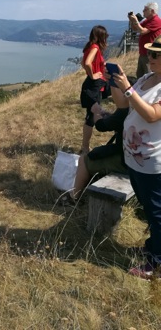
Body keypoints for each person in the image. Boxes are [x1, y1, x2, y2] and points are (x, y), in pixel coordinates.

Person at [109, 40, 161, 279]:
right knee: (149, 208)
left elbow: (151, 115)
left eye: (157, 54)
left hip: (153, 162)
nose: (150, 56)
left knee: (157, 213)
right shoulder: (146, 78)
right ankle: (153, 247)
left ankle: (156, 264)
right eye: (151, 52)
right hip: (135, 159)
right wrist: (115, 83)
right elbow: (122, 104)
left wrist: (128, 88)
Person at [79, 25, 109, 153]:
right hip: (94, 85)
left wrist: (100, 67)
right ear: (101, 36)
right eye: (105, 36)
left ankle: (85, 147)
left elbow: (83, 62)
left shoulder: (90, 46)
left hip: (93, 84)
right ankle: (85, 148)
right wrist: (93, 75)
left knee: (90, 117)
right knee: (92, 117)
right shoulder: (95, 47)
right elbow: (86, 63)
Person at [130, 2, 161, 78]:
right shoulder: (147, 20)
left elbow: (142, 31)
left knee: (148, 76)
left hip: (151, 53)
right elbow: (135, 28)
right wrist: (131, 20)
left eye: (145, 9)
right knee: (140, 76)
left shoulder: (156, 20)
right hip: (144, 52)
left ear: (152, 11)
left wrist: (136, 21)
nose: (143, 11)